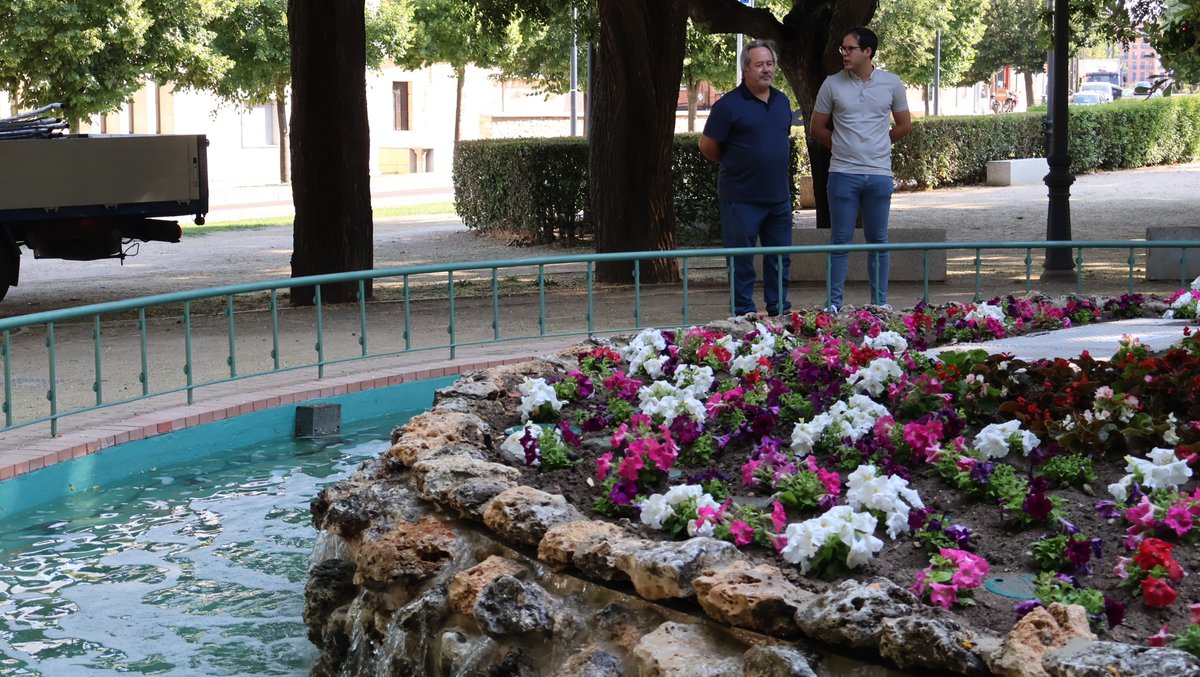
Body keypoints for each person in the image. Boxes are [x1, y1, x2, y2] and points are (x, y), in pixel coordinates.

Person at [810, 27, 912, 311]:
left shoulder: (891, 83)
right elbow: (817, 128)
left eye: (849, 48)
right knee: (839, 241)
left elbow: (904, 125)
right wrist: (843, 148)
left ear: (867, 52)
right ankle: (833, 306)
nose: (843, 53)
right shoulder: (832, 83)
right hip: (842, 173)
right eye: (842, 48)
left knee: (878, 241)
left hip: (879, 174)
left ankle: (879, 304)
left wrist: (879, 144)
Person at [699, 40, 794, 317]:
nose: (766, 70)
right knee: (741, 261)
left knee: (780, 259)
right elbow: (708, 146)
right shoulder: (728, 105)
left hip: (778, 198)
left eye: (770, 64)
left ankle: (779, 311)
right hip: (741, 199)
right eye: (759, 64)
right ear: (745, 70)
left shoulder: (782, 101)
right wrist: (736, 163)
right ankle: (743, 314)